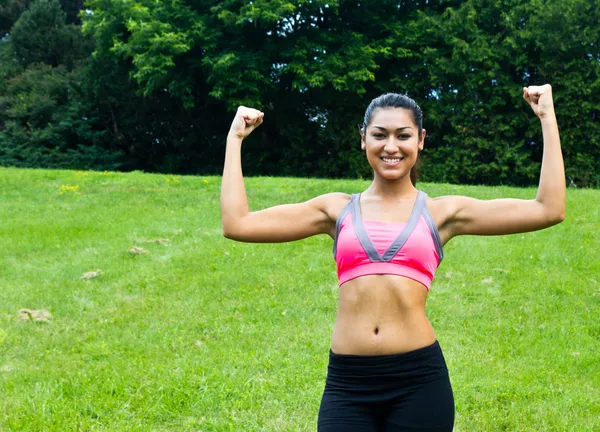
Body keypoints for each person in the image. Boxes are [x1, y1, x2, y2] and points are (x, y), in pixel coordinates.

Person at [220, 84, 565, 431]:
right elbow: (238, 224)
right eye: (379, 135)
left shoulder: (442, 213)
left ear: (420, 140)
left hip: (419, 382)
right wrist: (234, 139)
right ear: (363, 139)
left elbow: (548, 209)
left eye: (403, 135)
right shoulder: (335, 210)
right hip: (347, 384)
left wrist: (547, 117)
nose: (390, 147)